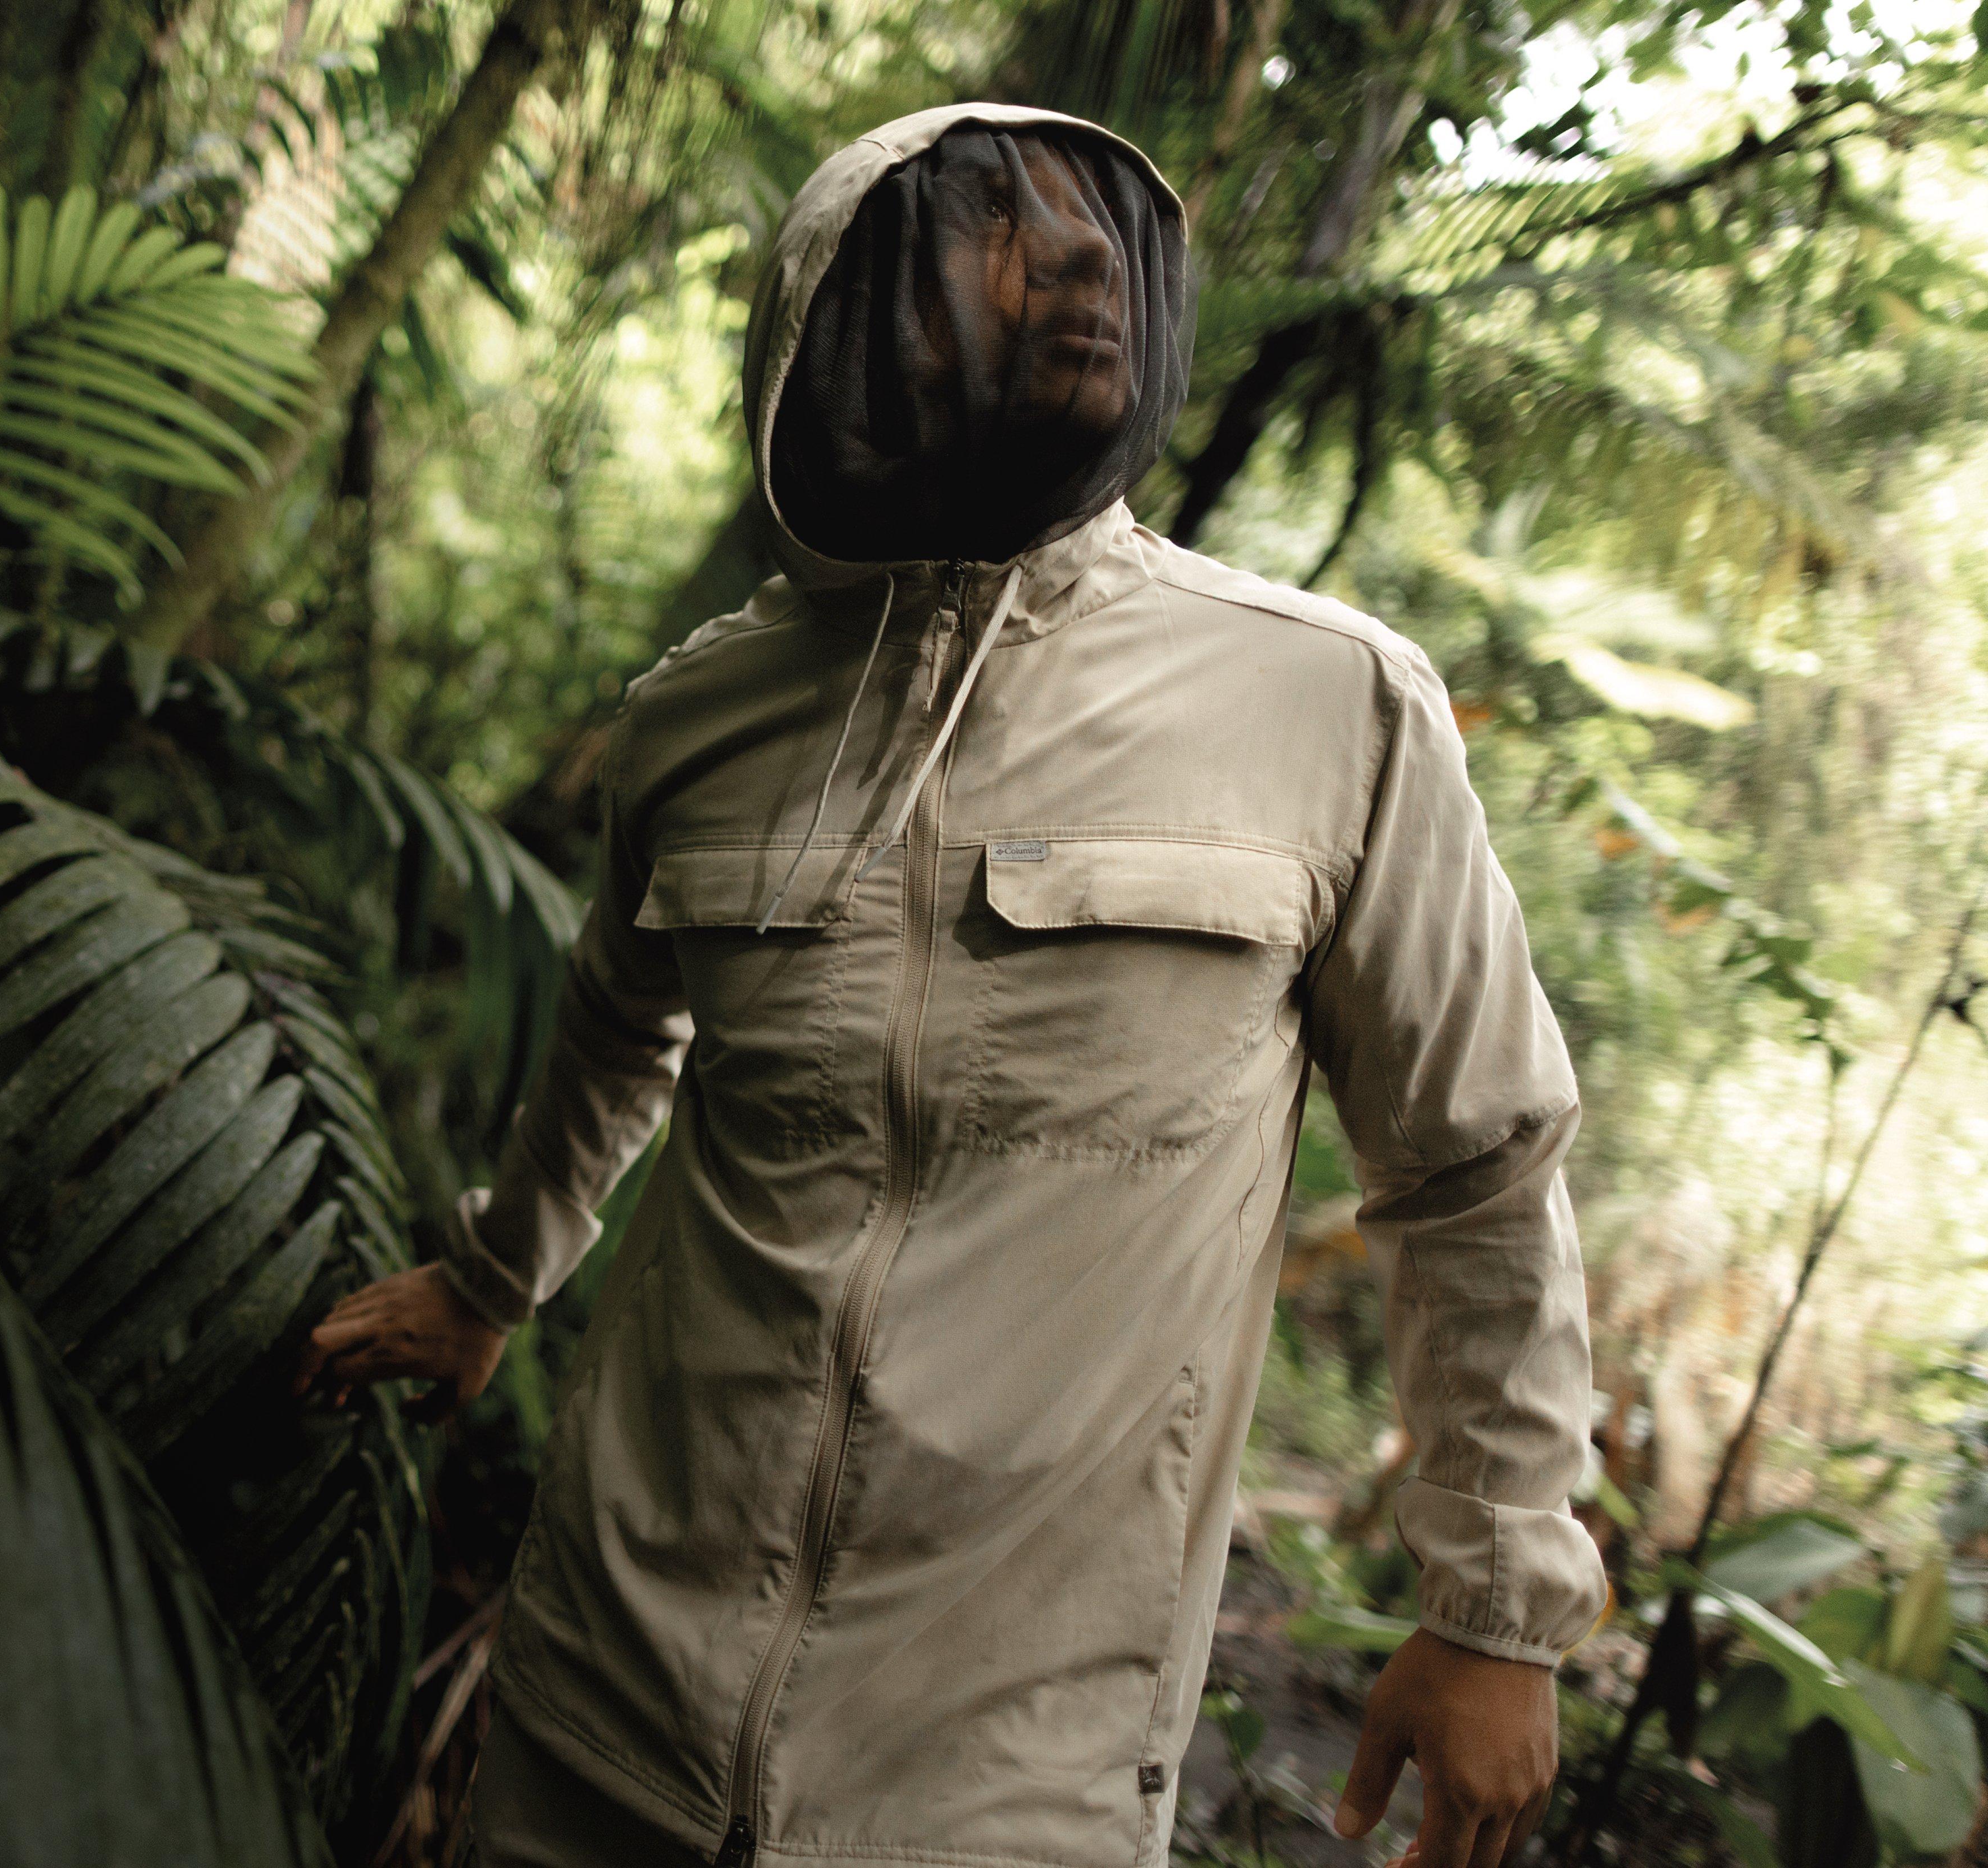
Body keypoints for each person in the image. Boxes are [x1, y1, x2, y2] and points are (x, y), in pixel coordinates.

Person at [293, 103, 1606, 1868]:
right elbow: (620, 1029)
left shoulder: (1330, 707)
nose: (1068, 260)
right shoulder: (706, 711)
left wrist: (1495, 1607)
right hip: (599, 1702)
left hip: (1011, 1781)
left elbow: (1478, 1165)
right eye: (992, 231)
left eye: (1089, 235)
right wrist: (489, 1276)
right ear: (843, 325)